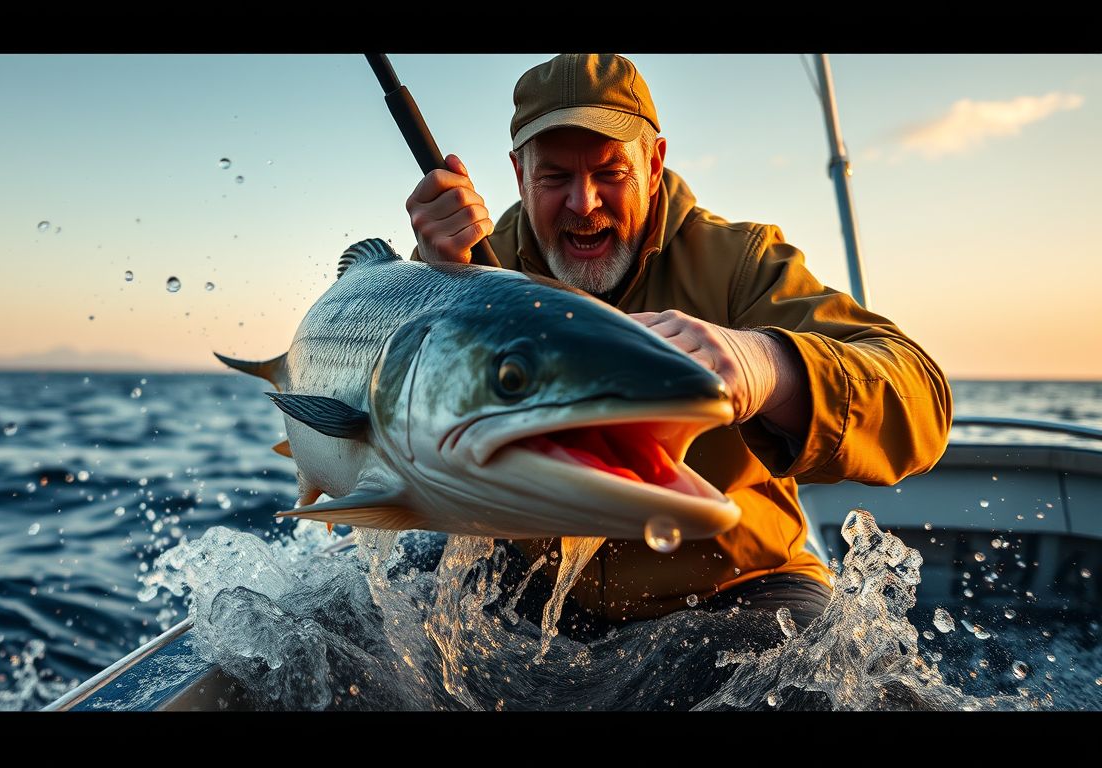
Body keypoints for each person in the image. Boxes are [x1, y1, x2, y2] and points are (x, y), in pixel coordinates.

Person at [406, 54, 952, 701]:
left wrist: (770, 365)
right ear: (518, 173)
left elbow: (922, 396)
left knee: (823, 687)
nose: (583, 204)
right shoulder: (474, 263)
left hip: (739, 594)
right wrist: (433, 284)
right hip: (532, 588)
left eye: (610, 173)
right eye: (555, 176)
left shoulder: (739, 262)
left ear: (655, 162)